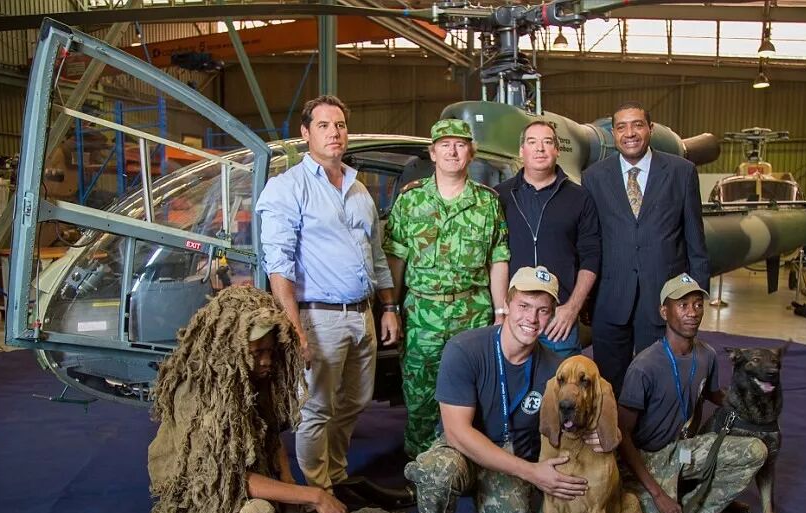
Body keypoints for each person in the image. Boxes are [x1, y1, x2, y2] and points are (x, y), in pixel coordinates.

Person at [145, 286, 350, 513]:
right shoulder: (201, 397)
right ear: (230, 350)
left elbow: (272, 440)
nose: (267, 361)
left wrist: (292, 494)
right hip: (208, 501)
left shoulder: (253, 379)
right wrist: (313, 495)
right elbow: (230, 480)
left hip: (243, 483)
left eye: (270, 351)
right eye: (256, 353)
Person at [405, 266, 619, 513]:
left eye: (543, 310)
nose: (531, 319)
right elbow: (457, 432)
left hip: (514, 467)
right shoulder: (465, 349)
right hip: (467, 454)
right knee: (437, 470)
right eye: (524, 306)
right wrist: (531, 473)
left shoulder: (557, 370)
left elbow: (594, 405)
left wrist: (602, 435)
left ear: (552, 315)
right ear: (506, 303)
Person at [256, 94, 401, 492]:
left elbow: (375, 255)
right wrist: (294, 329)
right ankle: (319, 492)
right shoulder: (288, 187)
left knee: (356, 401)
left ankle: (337, 476)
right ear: (306, 133)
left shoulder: (358, 190)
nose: (334, 133)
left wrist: (388, 306)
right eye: (323, 125)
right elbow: (279, 266)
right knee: (317, 408)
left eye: (339, 125)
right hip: (318, 317)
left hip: (362, 315)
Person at [614, 273, 767, 513]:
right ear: (664, 312)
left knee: (755, 451)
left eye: (698, 304)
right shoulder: (644, 367)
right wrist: (659, 495)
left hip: (684, 450)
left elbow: (712, 393)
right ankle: (646, 509)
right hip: (649, 459)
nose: (693, 312)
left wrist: (748, 402)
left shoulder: (706, 355)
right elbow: (623, 435)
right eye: (683, 305)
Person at [384, 118, 510, 458]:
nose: (452, 151)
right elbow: (395, 259)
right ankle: (422, 470)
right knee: (420, 397)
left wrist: (501, 312)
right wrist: (390, 307)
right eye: (445, 145)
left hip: (473, 315)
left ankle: (470, 465)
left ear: (471, 153)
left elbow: (498, 259)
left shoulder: (487, 203)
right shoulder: (411, 201)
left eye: (460, 145)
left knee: (474, 394)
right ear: (433, 153)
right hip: (422, 316)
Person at [582, 101, 710, 395]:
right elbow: (590, 242)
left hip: (665, 298)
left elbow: (696, 242)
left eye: (637, 125)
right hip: (611, 299)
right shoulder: (593, 177)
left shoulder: (681, 172)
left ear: (650, 129)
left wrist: (695, 299)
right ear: (614, 134)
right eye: (621, 127)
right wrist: (586, 299)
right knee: (610, 385)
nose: (630, 133)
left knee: (663, 381)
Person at [496, 120, 600, 357]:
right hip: (514, 317)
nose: (540, 148)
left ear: (557, 150)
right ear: (521, 151)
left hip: (558, 320)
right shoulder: (501, 196)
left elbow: (592, 257)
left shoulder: (579, 198)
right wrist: (501, 310)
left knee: (561, 381)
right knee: (512, 381)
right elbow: (493, 256)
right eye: (532, 142)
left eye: (547, 142)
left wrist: (572, 308)